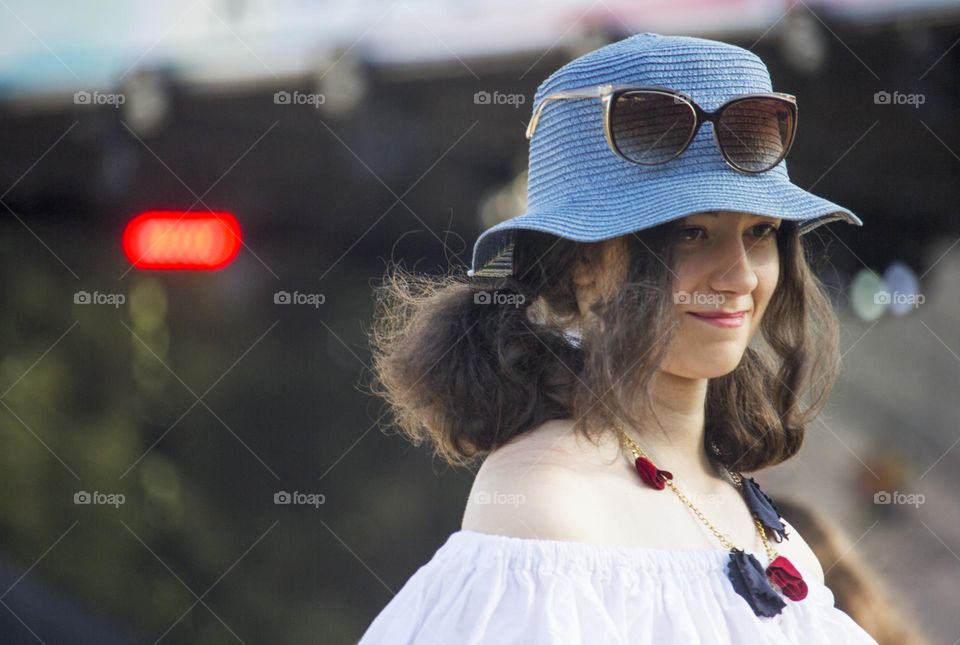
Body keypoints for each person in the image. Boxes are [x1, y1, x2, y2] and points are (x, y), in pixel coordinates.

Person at [360, 32, 879, 644]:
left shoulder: (763, 522)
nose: (739, 276)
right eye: (690, 234)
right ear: (578, 266)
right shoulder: (547, 508)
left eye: (760, 231)